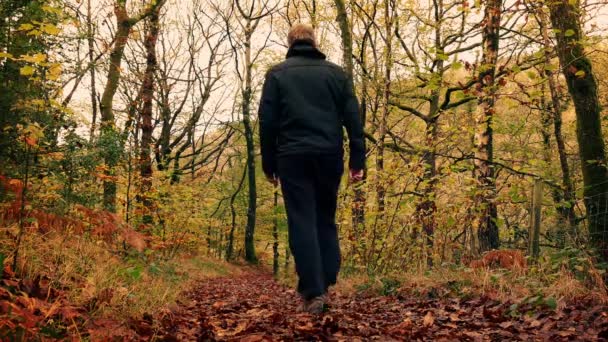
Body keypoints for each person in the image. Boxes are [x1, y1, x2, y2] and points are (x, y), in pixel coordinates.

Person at [258, 23, 366, 314]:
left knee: (302, 220)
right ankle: (327, 277)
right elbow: (354, 120)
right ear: (314, 42)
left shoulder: (277, 75)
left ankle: (314, 290)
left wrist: (269, 165)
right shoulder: (336, 74)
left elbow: (267, 124)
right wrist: (358, 161)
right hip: (329, 155)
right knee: (325, 217)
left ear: (290, 42)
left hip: (292, 157)